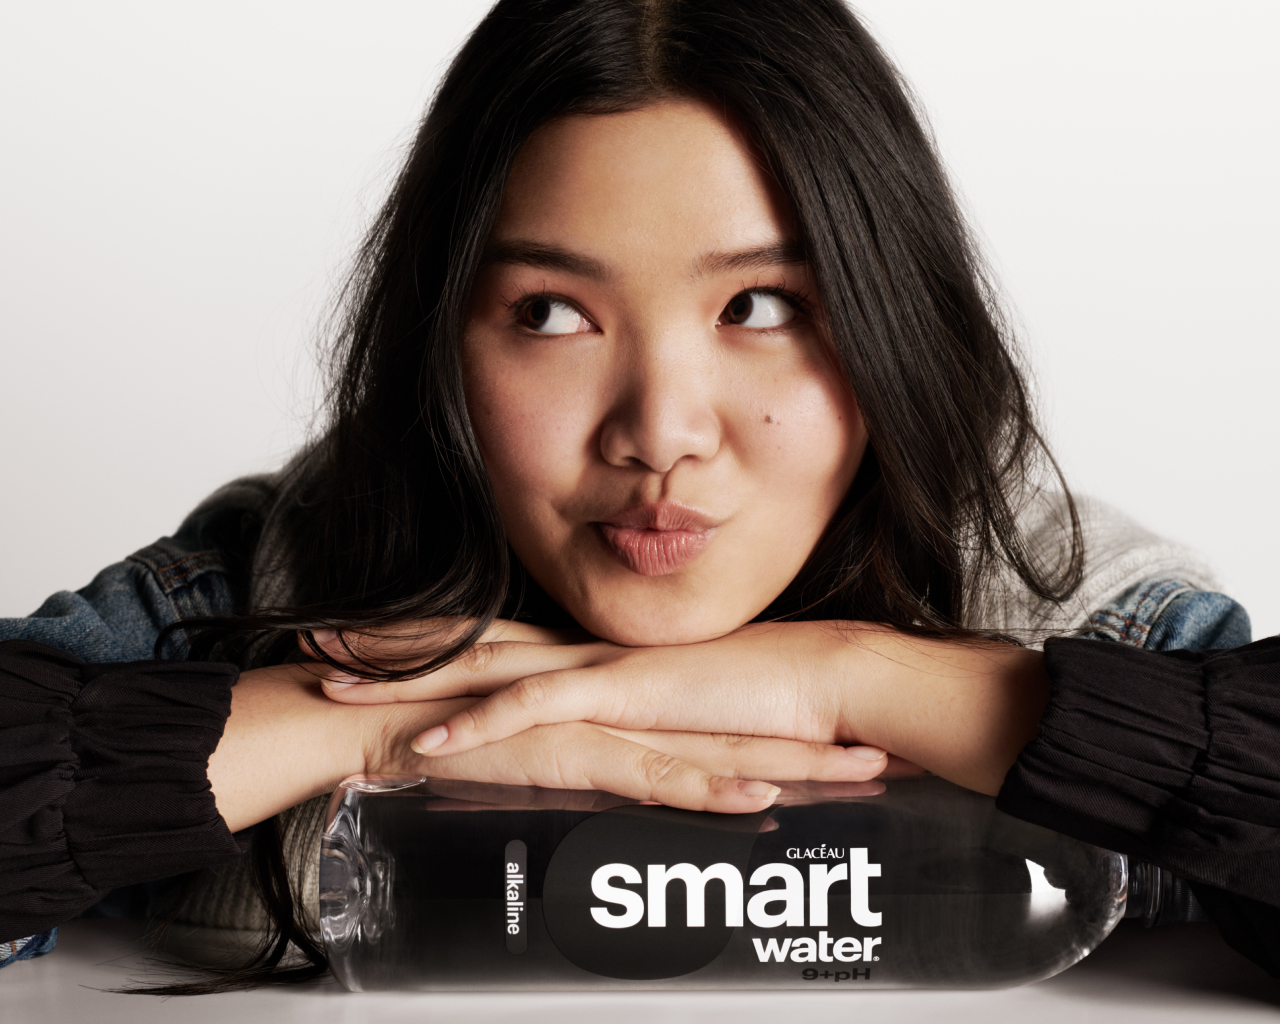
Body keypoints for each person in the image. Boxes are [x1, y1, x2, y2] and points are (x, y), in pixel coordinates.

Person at [0, 0, 1268, 988]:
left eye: (760, 307)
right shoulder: (293, 576)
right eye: (549, 314)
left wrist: (856, 680)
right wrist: (366, 730)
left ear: (891, 323)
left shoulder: (1076, 603)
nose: (660, 431)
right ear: (442, 343)